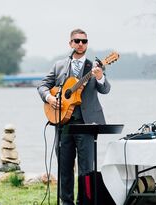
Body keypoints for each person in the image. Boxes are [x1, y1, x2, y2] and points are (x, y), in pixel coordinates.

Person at [37, 28, 111, 205]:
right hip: (63, 125)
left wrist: (100, 77)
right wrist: (50, 98)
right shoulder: (59, 65)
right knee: (64, 168)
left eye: (84, 41)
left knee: (86, 170)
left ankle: (84, 202)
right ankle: (66, 202)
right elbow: (42, 86)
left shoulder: (94, 67)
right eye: (77, 41)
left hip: (86, 124)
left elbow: (105, 89)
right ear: (70, 43)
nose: (80, 44)